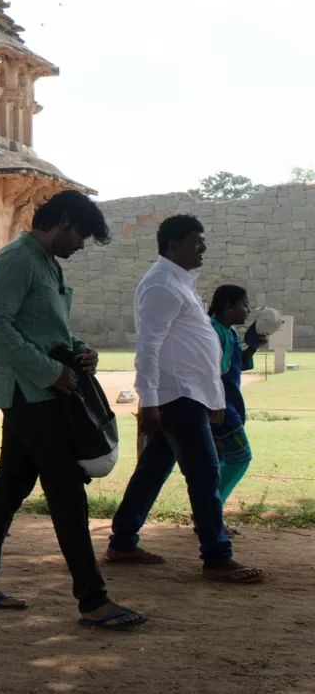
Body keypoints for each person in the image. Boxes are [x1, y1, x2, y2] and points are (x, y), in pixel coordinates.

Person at [0, 190, 148, 630]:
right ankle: (93, 600)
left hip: (42, 391)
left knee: (10, 487)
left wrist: (80, 351)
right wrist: (48, 370)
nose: (80, 246)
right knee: (65, 491)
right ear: (62, 222)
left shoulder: (45, 262)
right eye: (80, 235)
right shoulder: (17, 259)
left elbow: (45, 327)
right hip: (31, 394)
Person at [105, 217, 265, 583]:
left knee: (153, 471)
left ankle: (123, 542)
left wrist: (214, 396)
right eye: (196, 242)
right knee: (205, 474)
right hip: (176, 398)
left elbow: (192, 348)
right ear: (173, 245)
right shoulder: (161, 285)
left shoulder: (178, 283)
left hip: (187, 395)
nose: (203, 248)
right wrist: (147, 401)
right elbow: (149, 345)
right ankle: (216, 557)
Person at [208, 285, 262, 525]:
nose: (248, 310)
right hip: (221, 409)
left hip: (227, 406)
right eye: (244, 304)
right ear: (230, 307)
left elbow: (237, 365)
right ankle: (210, 514)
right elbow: (212, 372)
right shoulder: (213, 332)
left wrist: (252, 347)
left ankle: (208, 516)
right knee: (240, 456)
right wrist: (216, 405)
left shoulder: (228, 333)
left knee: (217, 465)